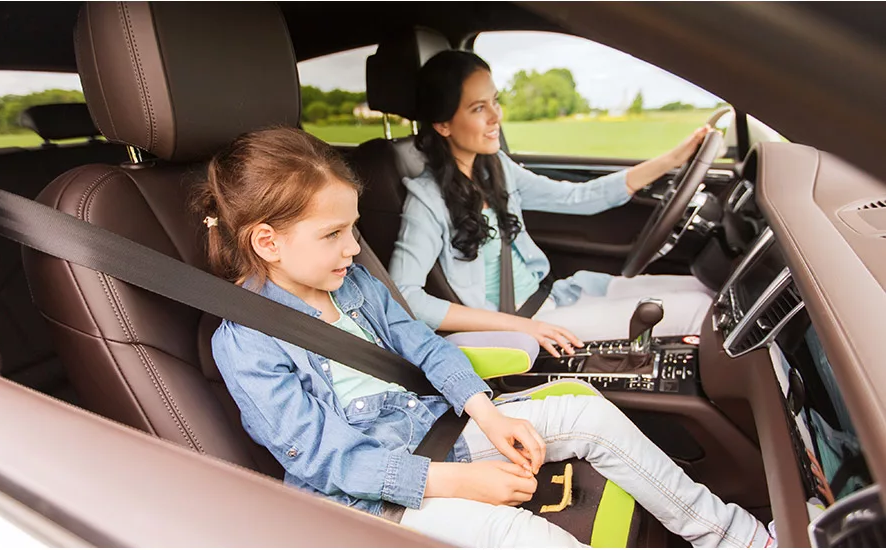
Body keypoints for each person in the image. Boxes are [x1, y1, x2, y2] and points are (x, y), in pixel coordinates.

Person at [197, 126, 772, 547]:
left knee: (588, 414)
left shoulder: (355, 287)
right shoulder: (246, 341)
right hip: (367, 497)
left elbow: (423, 344)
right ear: (268, 243)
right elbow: (326, 461)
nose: (354, 246)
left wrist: (487, 412)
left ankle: (736, 537)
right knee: (529, 538)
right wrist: (459, 481)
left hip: (430, 430)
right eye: (334, 234)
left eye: (354, 229)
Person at [389, 50, 716, 357]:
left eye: (495, 102)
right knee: (702, 311)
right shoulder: (427, 200)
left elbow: (577, 197)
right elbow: (405, 296)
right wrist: (523, 326)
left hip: (557, 297)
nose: (496, 117)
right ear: (443, 124)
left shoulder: (495, 168)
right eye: (478, 108)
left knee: (704, 287)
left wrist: (673, 158)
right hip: (523, 324)